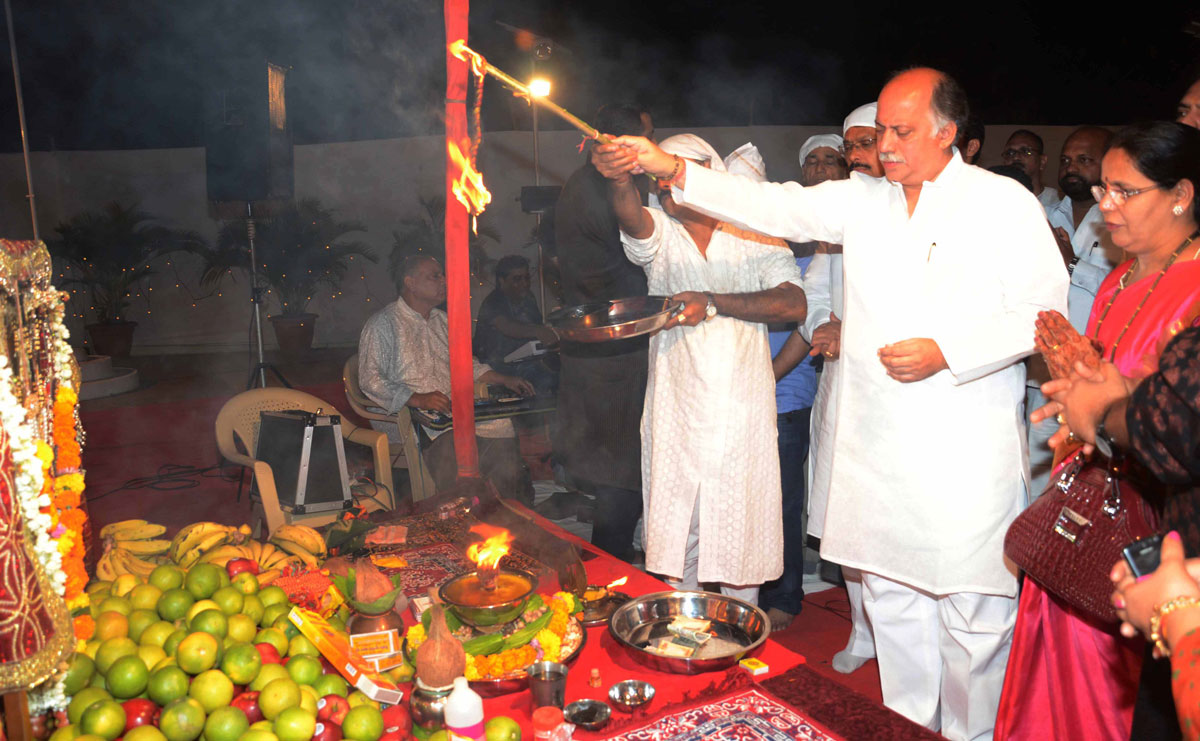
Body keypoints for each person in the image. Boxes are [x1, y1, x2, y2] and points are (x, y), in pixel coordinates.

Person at [595, 67, 1067, 740]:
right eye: (880, 132)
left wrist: (948, 351)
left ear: (947, 132)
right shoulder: (864, 201)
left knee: (973, 617)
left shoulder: (1001, 203)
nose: (886, 146)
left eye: (902, 132)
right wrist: (668, 166)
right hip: (878, 447)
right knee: (894, 602)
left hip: (962, 450)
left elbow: (1043, 312)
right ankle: (908, 729)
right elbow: (772, 205)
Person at [996, 121, 1200, 741]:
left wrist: (1107, 406)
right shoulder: (1118, 275)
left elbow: (1175, 422)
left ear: (1181, 195)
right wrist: (1075, 396)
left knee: (1112, 684)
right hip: (1083, 492)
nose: (1105, 204)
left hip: (1149, 517)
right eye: (1103, 188)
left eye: (1125, 191)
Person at [600, 131, 807, 603]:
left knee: (742, 539)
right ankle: (683, 637)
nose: (665, 186)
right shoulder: (661, 232)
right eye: (657, 178)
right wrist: (618, 178)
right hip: (677, 414)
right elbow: (631, 217)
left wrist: (713, 302)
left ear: (711, 175)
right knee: (677, 538)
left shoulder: (755, 233)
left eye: (674, 172)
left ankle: (740, 636)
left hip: (741, 415)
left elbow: (794, 303)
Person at [552, 103, 653, 562]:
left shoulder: (582, 183)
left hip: (602, 346)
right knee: (621, 468)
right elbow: (634, 261)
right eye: (648, 139)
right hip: (615, 347)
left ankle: (613, 557)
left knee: (619, 466)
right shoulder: (604, 188)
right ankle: (609, 567)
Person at [358, 255, 535, 500]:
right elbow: (370, 379)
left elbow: (468, 366)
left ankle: (507, 507)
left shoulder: (444, 321)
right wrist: (417, 399)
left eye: (443, 275)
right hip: (407, 417)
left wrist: (504, 380)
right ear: (410, 283)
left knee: (501, 425)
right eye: (435, 276)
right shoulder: (383, 324)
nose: (444, 281)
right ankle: (461, 508)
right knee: (451, 440)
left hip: (451, 410)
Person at [758, 134, 838, 631]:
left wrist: (765, 378)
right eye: (813, 160)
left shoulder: (833, 247)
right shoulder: (773, 240)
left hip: (788, 388)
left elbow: (806, 323)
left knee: (784, 499)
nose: (821, 168)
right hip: (749, 385)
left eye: (832, 160)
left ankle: (785, 596)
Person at [1027, 126, 1122, 495]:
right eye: (1066, 160)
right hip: (1044, 374)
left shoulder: (1120, 218)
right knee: (1038, 486)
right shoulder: (1044, 215)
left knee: (1090, 489)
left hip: (1098, 378)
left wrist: (1071, 264)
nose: (1071, 168)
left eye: (1084, 160)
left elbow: (1124, 288)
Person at [472, 255, 558, 393]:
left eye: (526, 278)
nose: (524, 283)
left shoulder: (528, 298)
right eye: (517, 279)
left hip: (526, 363)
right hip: (496, 367)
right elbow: (507, 327)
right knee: (545, 381)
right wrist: (537, 331)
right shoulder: (494, 301)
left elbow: (538, 327)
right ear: (502, 281)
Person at [1001, 129, 1059, 209]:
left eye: (1026, 151)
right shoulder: (996, 200)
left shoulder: (1057, 203)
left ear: (1042, 161)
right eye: (1010, 153)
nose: (1016, 157)